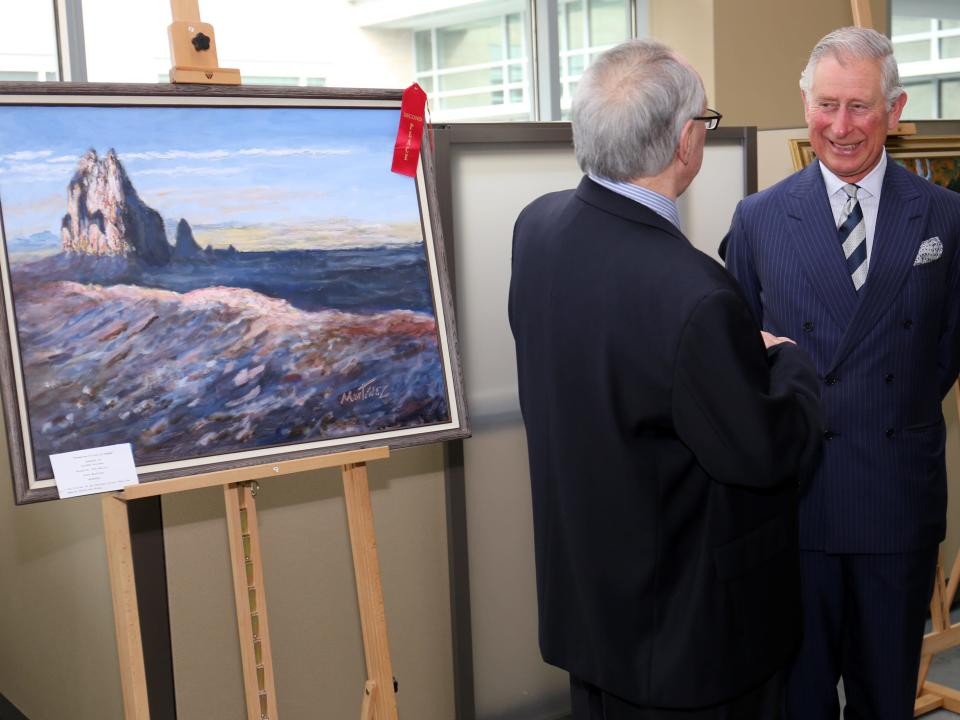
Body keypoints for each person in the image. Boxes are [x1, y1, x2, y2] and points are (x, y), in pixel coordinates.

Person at [509, 39, 823, 720]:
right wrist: (786, 361)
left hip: (590, 615)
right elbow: (764, 451)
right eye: (706, 122)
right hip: (691, 640)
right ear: (687, 141)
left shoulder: (535, 229)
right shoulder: (694, 296)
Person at [722, 26, 960, 720]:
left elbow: (946, 350)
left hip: (897, 502)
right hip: (797, 502)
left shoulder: (945, 216)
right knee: (799, 699)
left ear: (894, 109)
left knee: (887, 696)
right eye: (826, 105)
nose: (841, 126)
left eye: (859, 107)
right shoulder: (760, 218)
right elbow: (738, 359)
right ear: (805, 102)